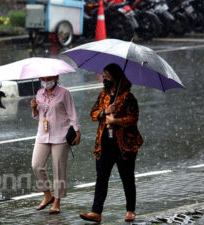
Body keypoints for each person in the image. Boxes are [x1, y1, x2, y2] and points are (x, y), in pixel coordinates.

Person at [79, 63, 143, 222]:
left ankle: (130, 210)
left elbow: (133, 119)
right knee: (101, 177)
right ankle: (96, 212)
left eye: (107, 77)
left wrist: (117, 120)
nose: (104, 79)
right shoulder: (103, 96)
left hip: (124, 144)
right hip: (105, 143)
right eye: (104, 76)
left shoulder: (128, 97)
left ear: (115, 77)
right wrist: (104, 112)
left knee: (127, 178)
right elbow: (92, 114)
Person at [30, 75, 81, 214]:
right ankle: (48, 196)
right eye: (43, 79)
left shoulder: (64, 93)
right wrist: (34, 108)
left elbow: (72, 113)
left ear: (56, 77)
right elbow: (37, 116)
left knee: (58, 168)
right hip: (42, 134)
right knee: (36, 165)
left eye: (49, 78)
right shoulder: (39, 93)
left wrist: (77, 131)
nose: (46, 81)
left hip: (61, 135)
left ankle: (57, 201)